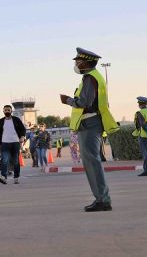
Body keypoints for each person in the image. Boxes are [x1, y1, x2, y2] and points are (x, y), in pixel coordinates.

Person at [60, 47, 119, 212]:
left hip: (90, 123)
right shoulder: (93, 77)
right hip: (90, 123)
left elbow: (84, 103)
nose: (77, 64)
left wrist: (68, 100)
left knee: (92, 163)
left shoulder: (89, 78)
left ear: (86, 62)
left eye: (78, 61)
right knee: (92, 162)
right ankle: (101, 198)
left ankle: (103, 199)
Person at [0, 105, 26, 184]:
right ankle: (4, 177)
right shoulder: (1, 121)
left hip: (15, 143)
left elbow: (23, 129)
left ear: (11, 111)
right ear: (3, 111)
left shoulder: (16, 120)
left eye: (8, 110)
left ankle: (16, 177)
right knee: (4, 160)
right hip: (4, 144)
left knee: (15, 161)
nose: (7, 111)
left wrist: (22, 137)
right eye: (5, 110)